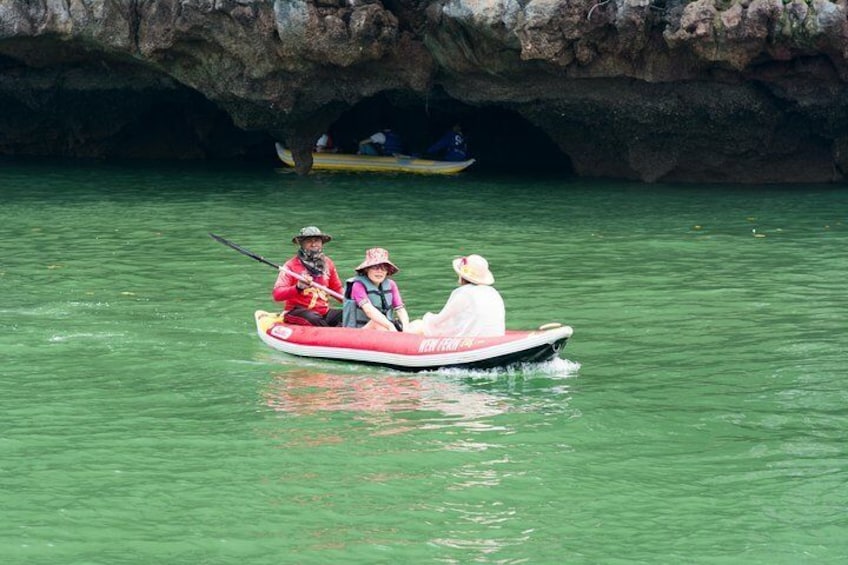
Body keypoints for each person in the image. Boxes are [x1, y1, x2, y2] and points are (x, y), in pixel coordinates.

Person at [407, 254, 505, 337]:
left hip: (472, 340)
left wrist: (426, 320)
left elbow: (440, 321)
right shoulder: (493, 292)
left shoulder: (463, 293)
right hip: (496, 337)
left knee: (417, 325)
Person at [272, 226, 344, 326]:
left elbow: (337, 289)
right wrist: (298, 287)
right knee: (313, 318)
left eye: (317, 240)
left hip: (323, 312)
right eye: (309, 241)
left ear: (322, 243)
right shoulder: (290, 265)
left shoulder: (328, 263)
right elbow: (277, 295)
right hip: (297, 311)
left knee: (349, 314)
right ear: (302, 243)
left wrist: (351, 300)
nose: (314, 244)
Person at [342, 248, 410, 332]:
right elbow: (368, 310)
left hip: (387, 327)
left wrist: (406, 328)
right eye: (375, 267)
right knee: (376, 323)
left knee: (420, 323)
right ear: (367, 269)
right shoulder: (358, 285)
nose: (379, 271)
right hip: (361, 330)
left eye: (384, 268)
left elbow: (400, 309)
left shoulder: (391, 284)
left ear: (387, 271)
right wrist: (389, 326)